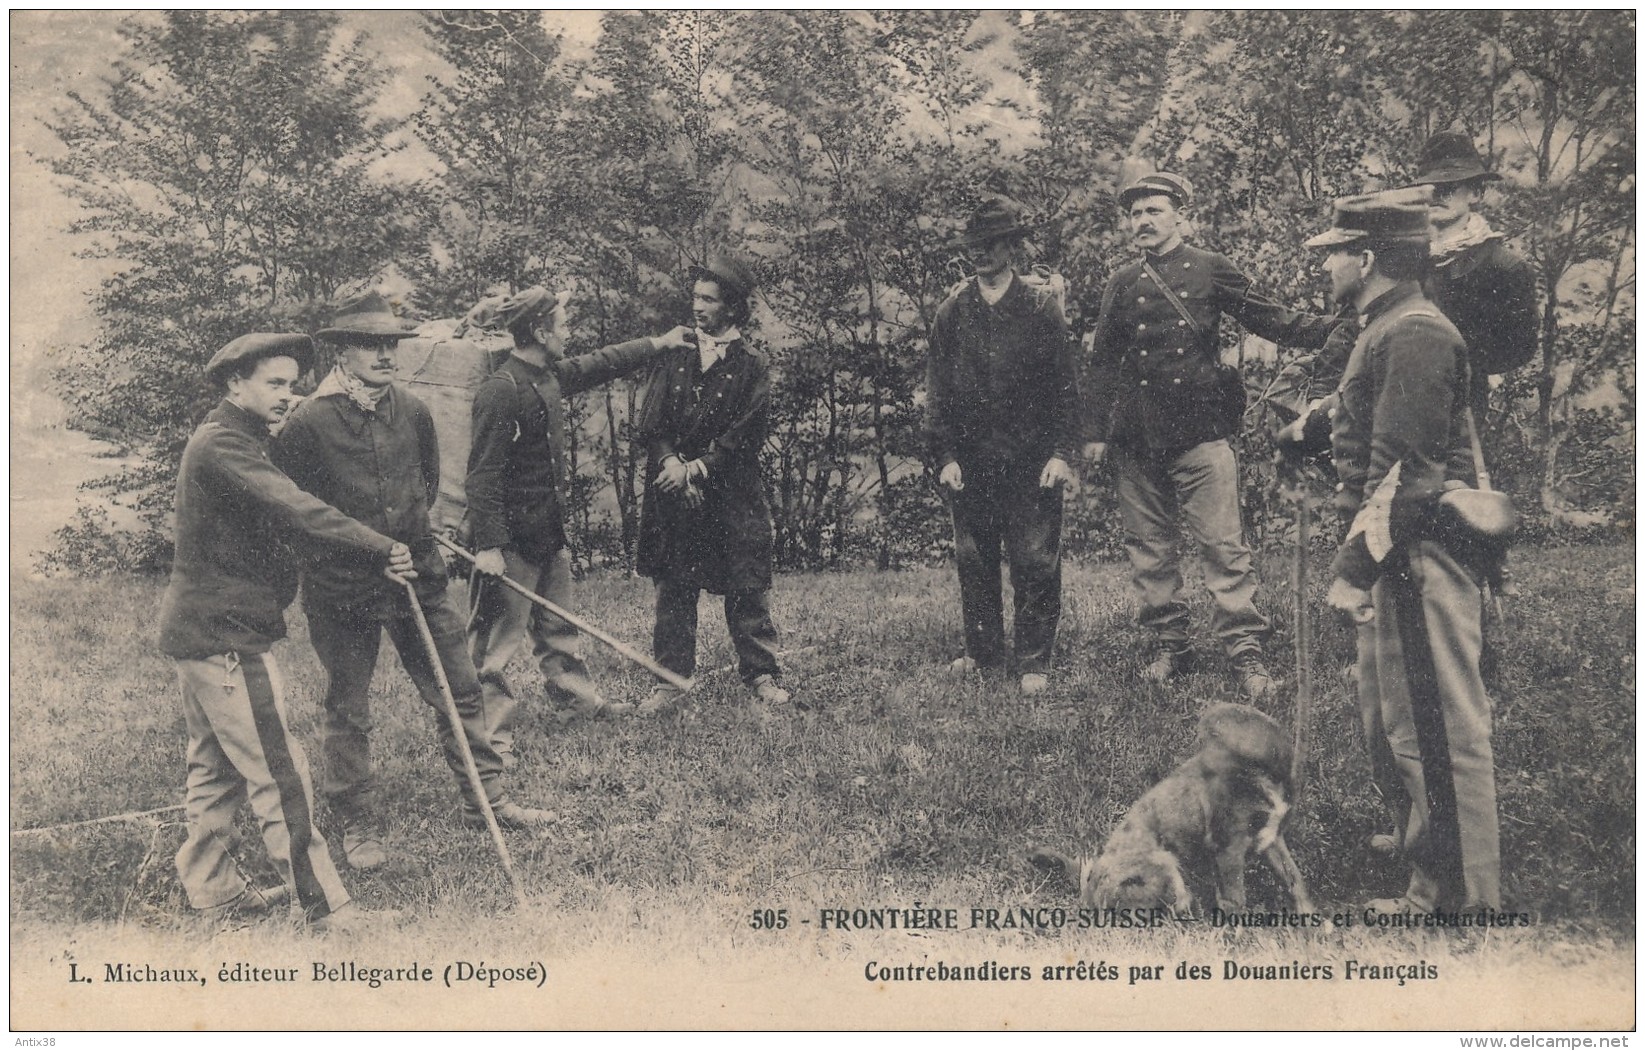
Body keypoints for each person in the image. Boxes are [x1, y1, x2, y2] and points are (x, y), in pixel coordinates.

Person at [273, 292, 554, 872]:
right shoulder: (307, 424)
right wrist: (369, 555)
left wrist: (411, 546)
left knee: (459, 686)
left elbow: (426, 484)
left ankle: (487, 802)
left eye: (391, 345)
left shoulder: (412, 409)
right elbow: (297, 517)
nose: (384, 355)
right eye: (371, 346)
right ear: (342, 352)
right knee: (349, 707)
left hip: (419, 579)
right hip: (343, 590)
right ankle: (358, 823)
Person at [158, 332, 409, 931]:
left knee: (215, 771)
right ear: (232, 385)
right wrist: (382, 544)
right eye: (273, 383)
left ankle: (214, 891)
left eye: (292, 383)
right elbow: (297, 508)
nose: (287, 395)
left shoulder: (238, 438)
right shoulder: (225, 445)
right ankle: (327, 909)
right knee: (280, 771)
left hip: (205, 631)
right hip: (226, 637)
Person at [1299, 187, 1502, 914]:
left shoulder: (1412, 332)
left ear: (1369, 257)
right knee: (1395, 721)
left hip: (1417, 555)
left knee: (1437, 730)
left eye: (1334, 254)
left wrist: (1353, 570)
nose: (1324, 266)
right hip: (1397, 550)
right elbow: (1376, 416)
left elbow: (1405, 473)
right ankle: (1426, 848)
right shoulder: (1386, 325)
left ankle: (1457, 897)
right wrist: (1318, 424)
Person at [1083, 172, 1342, 699]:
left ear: (1180, 214)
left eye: (1154, 211)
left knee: (1224, 546)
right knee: (1150, 549)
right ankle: (1169, 645)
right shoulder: (1122, 282)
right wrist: (1092, 433)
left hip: (1201, 432)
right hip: (1136, 436)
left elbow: (1271, 318)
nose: (1143, 222)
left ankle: (1245, 651)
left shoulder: (1209, 269)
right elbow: (1102, 364)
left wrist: (1338, 326)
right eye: (1135, 214)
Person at [464, 285, 694, 763]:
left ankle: (579, 706)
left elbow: (601, 363)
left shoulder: (546, 377)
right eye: (564, 326)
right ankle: (489, 742)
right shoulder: (499, 391)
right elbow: (481, 476)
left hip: (548, 535)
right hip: (509, 545)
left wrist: (661, 342)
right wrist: (489, 546)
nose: (570, 334)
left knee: (557, 630)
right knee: (495, 651)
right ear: (542, 331)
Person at [924, 196, 1079, 696]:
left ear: (1012, 248)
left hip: (1032, 462)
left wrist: (1061, 453)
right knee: (974, 558)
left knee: (1035, 559)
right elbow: (938, 393)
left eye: (991, 245)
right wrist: (945, 457)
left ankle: (1034, 659)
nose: (981, 255)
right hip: (972, 462)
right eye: (975, 247)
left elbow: (1065, 388)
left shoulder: (1039, 308)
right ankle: (983, 652)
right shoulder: (953, 310)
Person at [633, 253, 788, 713]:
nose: (698, 307)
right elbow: (652, 423)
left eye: (709, 299)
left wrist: (697, 468)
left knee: (746, 585)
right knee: (674, 587)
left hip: (730, 492)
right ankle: (669, 679)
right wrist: (672, 466)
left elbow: (746, 433)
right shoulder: (675, 355)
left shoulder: (752, 365)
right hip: (672, 487)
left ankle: (761, 672)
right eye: (695, 297)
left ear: (733, 308)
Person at [1410, 130, 1538, 598]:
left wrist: (1464, 360)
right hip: (1402, 393)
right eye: (1431, 186)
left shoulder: (1502, 266)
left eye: (1453, 185)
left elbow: (1521, 346)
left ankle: (1476, 588)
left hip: (1462, 399)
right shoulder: (1406, 258)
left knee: (1461, 492)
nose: (1439, 196)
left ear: (1476, 192)